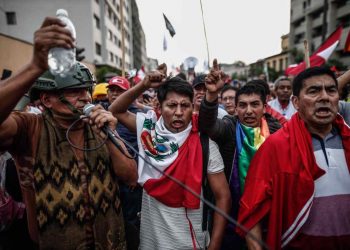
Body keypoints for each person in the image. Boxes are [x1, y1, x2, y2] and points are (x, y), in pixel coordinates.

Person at [0, 17, 137, 249]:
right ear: (47, 99)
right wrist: (35, 66)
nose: (85, 97)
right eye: (74, 91)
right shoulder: (29, 127)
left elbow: (131, 177)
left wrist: (109, 136)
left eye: (87, 90)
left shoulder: (99, 125)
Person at [109, 66, 231, 250]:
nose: (179, 112)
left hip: (190, 243)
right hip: (151, 242)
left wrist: (214, 246)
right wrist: (144, 84)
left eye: (185, 105)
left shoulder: (204, 143)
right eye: (172, 105)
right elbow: (115, 110)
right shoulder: (148, 130)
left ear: (193, 107)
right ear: (160, 106)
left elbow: (224, 197)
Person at [236, 66, 350, 249]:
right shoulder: (275, 147)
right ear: (296, 103)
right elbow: (251, 213)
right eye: (313, 91)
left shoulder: (348, 140)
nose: (324, 97)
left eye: (331, 90)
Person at [199, 59, 282, 249]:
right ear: (235, 109)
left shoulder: (277, 132)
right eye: (243, 105)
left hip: (268, 214)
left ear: (265, 106)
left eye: (255, 104)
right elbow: (208, 125)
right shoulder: (229, 127)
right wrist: (211, 94)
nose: (249, 111)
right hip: (231, 217)